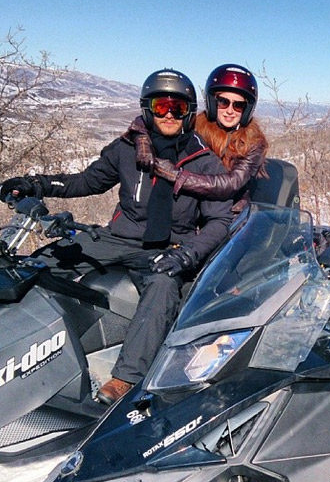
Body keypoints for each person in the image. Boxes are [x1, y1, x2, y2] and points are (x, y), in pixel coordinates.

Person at [0, 68, 234, 405]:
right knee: (42, 262)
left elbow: (218, 223)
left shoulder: (204, 162)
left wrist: (186, 254)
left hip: (167, 246)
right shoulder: (127, 149)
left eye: (178, 108)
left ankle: (125, 378)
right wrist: (36, 184)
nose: (168, 114)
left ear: (189, 112)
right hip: (116, 238)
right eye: (160, 105)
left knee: (164, 285)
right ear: (147, 108)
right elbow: (87, 181)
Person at [148, 63, 268, 212]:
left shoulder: (253, 142)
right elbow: (150, 123)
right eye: (223, 102)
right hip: (190, 207)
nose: (230, 111)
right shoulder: (196, 125)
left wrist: (177, 176)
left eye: (238, 105)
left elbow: (232, 183)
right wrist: (142, 142)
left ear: (247, 109)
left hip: (231, 211)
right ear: (212, 102)